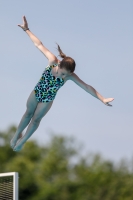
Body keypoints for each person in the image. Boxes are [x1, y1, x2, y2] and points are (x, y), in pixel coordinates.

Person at [10, 16, 114, 152]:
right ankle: (17, 135)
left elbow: (87, 87)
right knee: (28, 113)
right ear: (59, 65)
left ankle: (22, 141)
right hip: (38, 91)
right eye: (62, 73)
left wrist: (102, 99)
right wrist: (27, 30)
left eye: (66, 75)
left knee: (36, 120)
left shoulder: (70, 76)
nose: (63, 77)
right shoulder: (52, 60)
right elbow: (39, 44)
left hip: (48, 98)